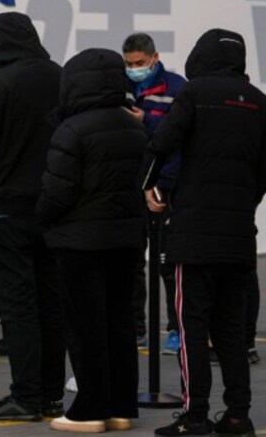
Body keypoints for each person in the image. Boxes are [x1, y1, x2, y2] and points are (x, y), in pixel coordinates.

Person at [142, 29, 266, 437]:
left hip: (193, 235)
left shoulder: (194, 94)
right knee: (231, 330)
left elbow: (163, 142)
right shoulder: (259, 103)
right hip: (238, 237)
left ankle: (194, 415)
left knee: (191, 327)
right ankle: (238, 415)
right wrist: (244, 205)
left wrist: (153, 188)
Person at [36, 48, 146, 433]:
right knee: (119, 323)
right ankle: (120, 407)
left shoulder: (72, 128)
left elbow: (57, 192)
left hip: (79, 240)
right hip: (127, 239)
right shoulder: (133, 125)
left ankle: (89, 410)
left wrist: (42, 219)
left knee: (85, 327)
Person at [0, 12, 66, 421]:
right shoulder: (59, 76)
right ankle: (52, 394)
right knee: (50, 302)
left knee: (18, 305)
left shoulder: (0, 84)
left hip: (6, 208)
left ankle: (25, 395)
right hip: (52, 206)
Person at [122, 33, 187, 354]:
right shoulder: (119, 86)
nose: (134, 69)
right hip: (129, 186)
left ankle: (176, 329)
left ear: (154, 57)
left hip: (164, 187)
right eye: (129, 63)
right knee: (131, 260)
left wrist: (144, 121)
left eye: (140, 63)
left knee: (168, 263)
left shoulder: (176, 88)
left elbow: (178, 139)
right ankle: (136, 328)